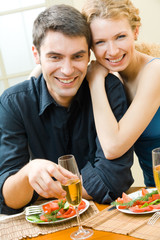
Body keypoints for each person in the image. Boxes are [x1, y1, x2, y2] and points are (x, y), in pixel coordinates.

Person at [0, 4, 133, 215]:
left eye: (77, 56)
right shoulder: (14, 102)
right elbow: (8, 199)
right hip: (46, 224)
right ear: (37, 55)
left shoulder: (109, 90)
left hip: (106, 219)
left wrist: (42, 190)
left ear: (89, 55)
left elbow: (113, 179)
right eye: (55, 57)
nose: (67, 70)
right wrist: (28, 173)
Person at [82, 0, 160, 187]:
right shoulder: (113, 79)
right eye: (100, 42)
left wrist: (94, 81)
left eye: (120, 36)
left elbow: (113, 147)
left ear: (135, 32)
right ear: (90, 47)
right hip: (153, 194)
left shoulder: (155, 71)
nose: (113, 51)